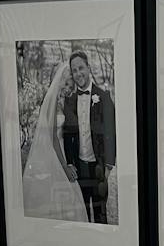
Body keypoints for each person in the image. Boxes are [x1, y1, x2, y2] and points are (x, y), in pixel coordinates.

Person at [21, 60, 87, 223]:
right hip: (52, 153)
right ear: (61, 80)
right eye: (67, 84)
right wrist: (64, 167)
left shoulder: (61, 101)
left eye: (71, 86)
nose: (69, 89)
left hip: (61, 151)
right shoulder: (51, 100)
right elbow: (52, 137)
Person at [59, 49, 116, 224]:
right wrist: (70, 163)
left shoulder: (104, 97)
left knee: (100, 214)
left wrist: (108, 165)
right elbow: (68, 134)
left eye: (81, 68)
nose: (78, 74)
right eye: (74, 70)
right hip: (79, 167)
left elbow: (111, 132)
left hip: (99, 167)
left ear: (88, 68)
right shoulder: (70, 100)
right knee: (82, 213)